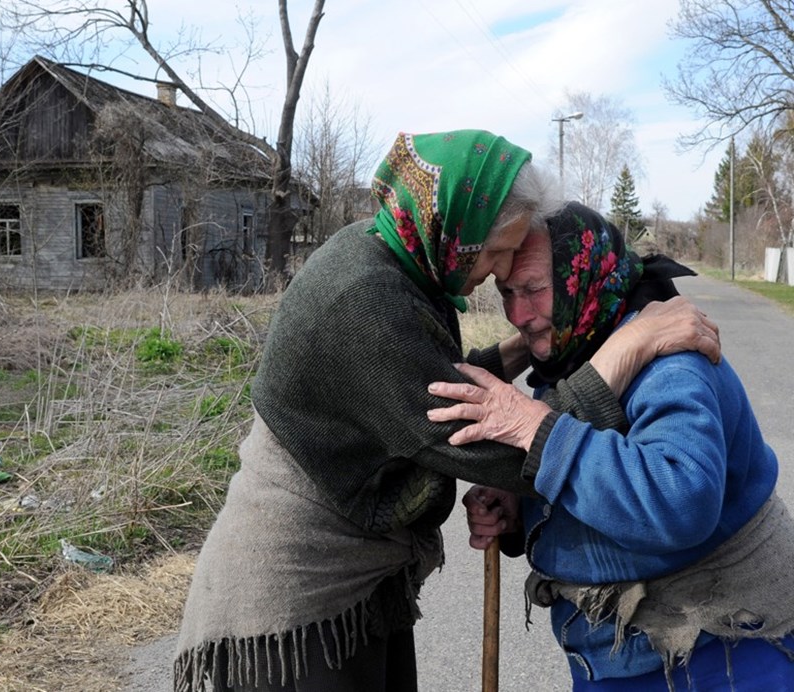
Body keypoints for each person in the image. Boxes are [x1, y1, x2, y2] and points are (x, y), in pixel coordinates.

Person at [173, 131, 720, 692]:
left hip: (361, 582)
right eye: (494, 254)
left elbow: (439, 384)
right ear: (454, 233)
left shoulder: (394, 253)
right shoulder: (364, 298)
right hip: (294, 593)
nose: (494, 274)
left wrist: (531, 346)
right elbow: (495, 447)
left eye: (521, 271)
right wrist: (624, 350)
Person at [429, 201, 794, 690]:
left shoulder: (669, 361)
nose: (519, 314)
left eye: (535, 290)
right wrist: (523, 507)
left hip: (718, 656)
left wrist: (536, 432)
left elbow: (679, 498)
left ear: (588, 279)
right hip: (626, 660)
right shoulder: (577, 353)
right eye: (507, 293)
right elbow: (596, 465)